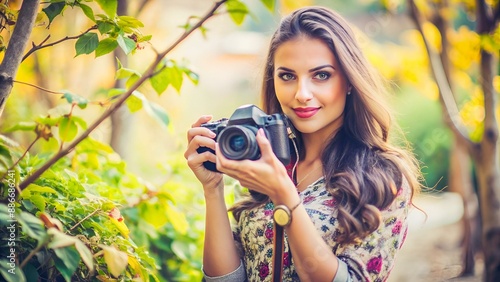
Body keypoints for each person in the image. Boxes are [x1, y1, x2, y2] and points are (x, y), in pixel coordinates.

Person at [184, 5, 422, 282]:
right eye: (287, 76)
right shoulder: (262, 161)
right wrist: (213, 191)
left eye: (321, 75)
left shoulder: (383, 177)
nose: (302, 94)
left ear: (349, 80)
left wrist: (284, 196)